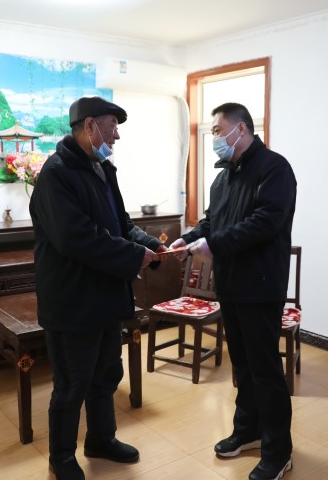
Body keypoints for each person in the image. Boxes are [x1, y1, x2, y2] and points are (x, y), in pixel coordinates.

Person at [30, 95, 167, 480]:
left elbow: (120, 224)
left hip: (106, 296)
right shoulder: (56, 174)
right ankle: (61, 457)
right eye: (112, 127)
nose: (116, 136)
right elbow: (76, 238)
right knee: (72, 384)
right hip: (72, 301)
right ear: (89, 126)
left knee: (106, 374)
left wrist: (149, 244)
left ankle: (101, 439)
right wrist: (133, 255)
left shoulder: (102, 168)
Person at [169, 102, 297, 480]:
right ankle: (248, 431)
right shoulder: (222, 178)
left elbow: (265, 222)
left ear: (240, 129)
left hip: (260, 286)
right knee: (241, 366)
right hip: (231, 285)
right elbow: (213, 221)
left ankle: (278, 450)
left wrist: (214, 244)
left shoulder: (274, 169)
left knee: (265, 370)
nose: (214, 138)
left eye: (216, 130)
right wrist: (188, 238)